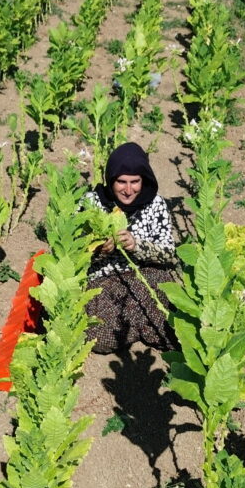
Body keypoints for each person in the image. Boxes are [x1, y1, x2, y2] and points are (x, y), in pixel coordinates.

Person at [83, 142, 177, 355]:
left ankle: (132, 323)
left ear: (144, 180)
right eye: (121, 182)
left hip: (146, 276)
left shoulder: (156, 205)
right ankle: (143, 325)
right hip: (104, 282)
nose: (128, 189)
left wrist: (137, 246)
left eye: (135, 182)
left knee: (170, 317)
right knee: (100, 338)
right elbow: (72, 254)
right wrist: (98, 251)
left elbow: (169, 255)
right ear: (111, 179)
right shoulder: (91, 203)